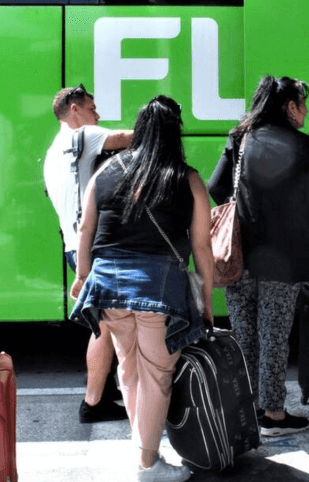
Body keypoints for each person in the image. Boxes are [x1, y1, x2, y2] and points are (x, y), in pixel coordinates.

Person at [70, 95, 213, 482]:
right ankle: (147, 464)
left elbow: (86, 229)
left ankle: (143, 452)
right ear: (174, 133)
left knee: (131, 371)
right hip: (158, 287)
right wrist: (208, 301)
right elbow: (201, 246)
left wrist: (82, 277)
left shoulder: (106, 170)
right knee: (156, 377)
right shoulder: (188, 178)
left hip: (108, 285)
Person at [208, 75, 309, 436]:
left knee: (245, 336)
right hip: (287, 256)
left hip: (238, 255)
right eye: (303, 103)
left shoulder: (239, 138)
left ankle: (246, 410)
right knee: (274, 336)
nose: (306, 110)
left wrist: (244, 217)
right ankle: (275, 416)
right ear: (289, 107)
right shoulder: (302, 146)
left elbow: (216, 186)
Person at [43, 84, 133, 423]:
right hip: (89, 248)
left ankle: (102, 391)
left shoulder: (57, 151)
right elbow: (128, 137)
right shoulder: (79, 137)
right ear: (74, 109)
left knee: (105, 323)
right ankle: (93, 403)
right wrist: (158, 125)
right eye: (92, 108)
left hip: (74, 246)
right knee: (106, 327)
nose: (98, 116)